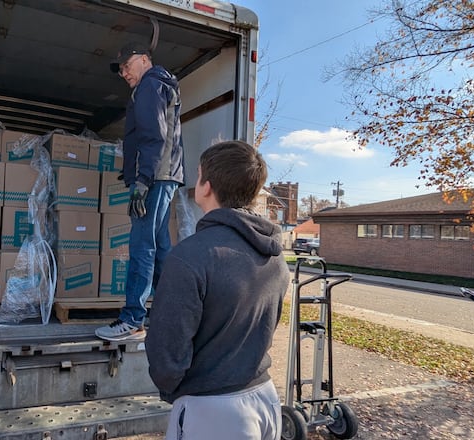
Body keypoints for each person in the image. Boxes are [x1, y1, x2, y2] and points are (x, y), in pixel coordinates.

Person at [145, 140, 289, 440]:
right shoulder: (275, 257)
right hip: (264, 398)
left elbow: (167, 354)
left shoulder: (190, 256)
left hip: (212, 411)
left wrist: (173, 386)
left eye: (197, 174)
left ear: (206, 186)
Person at [95, 41, 184, 341]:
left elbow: (153, 136)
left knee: (142, 247)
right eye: (119, 69)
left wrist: (142, 181)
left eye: (126, 65)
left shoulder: (149, 86)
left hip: (155, 177)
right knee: (159, 248)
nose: (123, 73)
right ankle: (171, 312)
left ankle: (133, 318)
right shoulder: (158, 84)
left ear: (144, 59)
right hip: (163, 175)